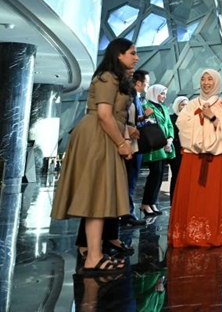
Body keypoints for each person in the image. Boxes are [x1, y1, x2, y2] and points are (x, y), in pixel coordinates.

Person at [51, 38, 136, 274]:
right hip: (99, 136)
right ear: (119, 55)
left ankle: (95, 254)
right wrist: (121, 143)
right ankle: (93, 256)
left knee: (99, 197)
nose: (135, 57)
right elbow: (104, 114)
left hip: (104, 135)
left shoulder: (116, 77)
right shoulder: (108, 77)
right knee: (97, 196)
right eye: (132, 52)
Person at [168, 69, 222, 247]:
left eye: (210, 79)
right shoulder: (192, 104)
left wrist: (212, 117)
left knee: (210, 197)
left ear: (216, 82)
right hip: (193, 157)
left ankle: (210, 233)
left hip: (215, 158)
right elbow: (182, 125)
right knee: (191, 194)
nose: (206, 83)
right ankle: (188, 234)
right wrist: (199, 117)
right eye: (203, 79)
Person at [122, 69, 152, 227]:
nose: (148, 85)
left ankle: (127, 212)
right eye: (147, 82)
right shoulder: (129, 96)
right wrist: (130, 128)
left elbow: (134, 118)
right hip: (130, 142)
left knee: (131, 179)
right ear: (138, 83)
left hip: (134, 142)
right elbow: (123, 118)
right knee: (129, 179)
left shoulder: (136, 98)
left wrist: (144, 117)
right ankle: (127, 213)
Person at [139, 84, 174, 216]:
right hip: (154, 145)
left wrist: (169, 139)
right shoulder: (147, 106)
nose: (164, 96)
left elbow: (169, 125)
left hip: (165, 145)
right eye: (161, 94)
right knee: (155, 174)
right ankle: (146, 203)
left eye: (164, 94)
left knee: (159, 175)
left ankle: (152, 202)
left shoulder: (164, 107)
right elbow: (148, 125)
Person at [168, 96, 189, 201]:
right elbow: (172, 134)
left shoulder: (190, 118)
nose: (184, 107)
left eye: (186, 104)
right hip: (176, 151)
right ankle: (174, 200)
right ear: (177, 105)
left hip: (188, 151)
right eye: (182, 104)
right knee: (176, 175)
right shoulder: (172, 118)